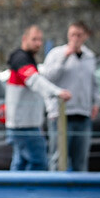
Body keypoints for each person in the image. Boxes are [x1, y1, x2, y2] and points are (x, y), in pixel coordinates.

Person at [5, 25, 71, 171]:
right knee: (39, 162)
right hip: (24, 126)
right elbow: (34, 81)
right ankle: (31, 194)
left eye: (40, 40)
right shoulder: (20, 58)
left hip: (23, 124)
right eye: (34, 39)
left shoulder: (27, 58)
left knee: (20, 163)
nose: (38, 43)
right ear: (24, 39)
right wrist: (57, 92)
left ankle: (12, 193)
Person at [42, 21, 98, 171]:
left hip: (83, 113)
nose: (75, 39)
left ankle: (81, 192)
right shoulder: (56, 54)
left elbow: (93, 83)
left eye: (79, 35)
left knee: (81, 159)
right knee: (58, 158)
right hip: (61, 114)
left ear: (85, 36)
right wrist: (64, 57)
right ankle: (55, 192)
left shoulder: (90, 56)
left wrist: (95, 103)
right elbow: (48, 78)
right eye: (72, 35)